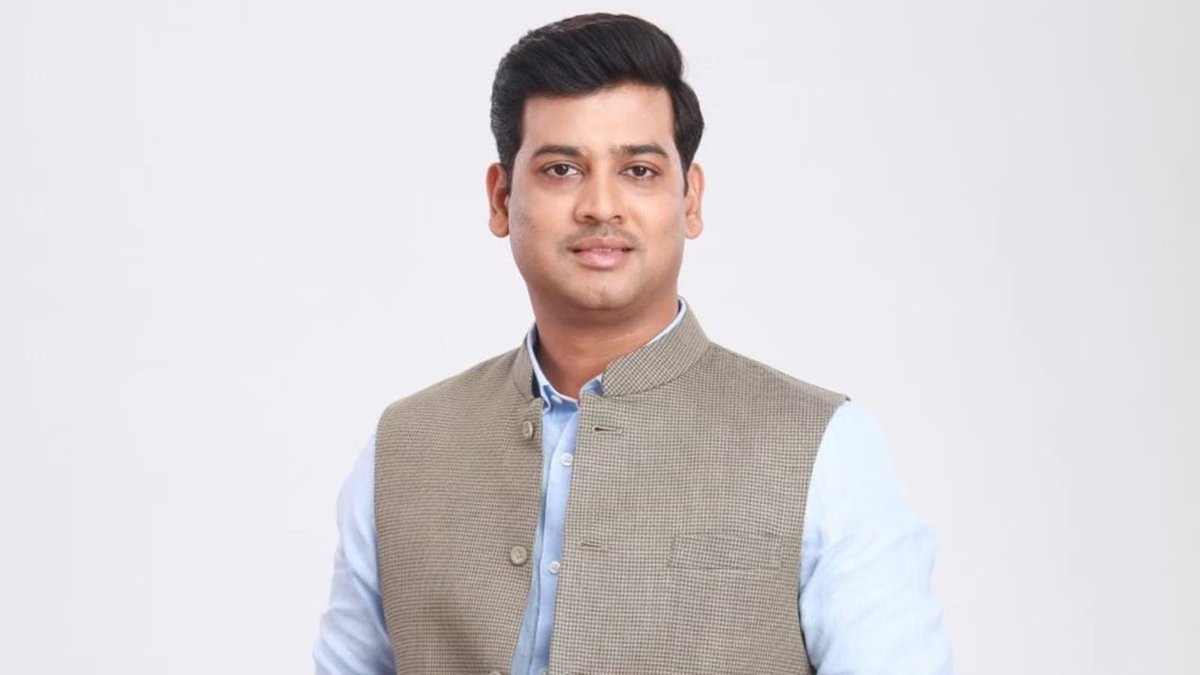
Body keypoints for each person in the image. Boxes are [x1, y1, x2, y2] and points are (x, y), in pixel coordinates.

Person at [313, 12, 953, 675]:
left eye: (639, 171)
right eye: (562, 168)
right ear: (502, 199)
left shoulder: (823, 447)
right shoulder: (403, 447)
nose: (601, 205)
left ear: (690, 199)